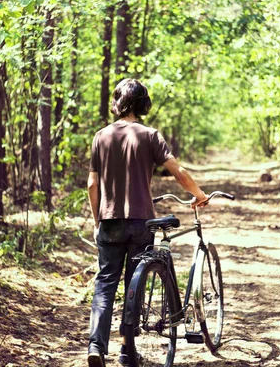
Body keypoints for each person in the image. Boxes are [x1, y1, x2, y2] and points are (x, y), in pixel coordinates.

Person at [87, 78, 208, 367]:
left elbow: (92, 185)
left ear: (117, 103)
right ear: (143, 105)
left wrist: (96, 221)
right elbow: (178, 173)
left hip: (109, 221)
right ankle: (127, 351)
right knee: (133, 285)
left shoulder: (100, 136)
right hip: (141, 222)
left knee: (105, 284)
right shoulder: (150, 135)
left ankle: (95, 346)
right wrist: (199, 194)